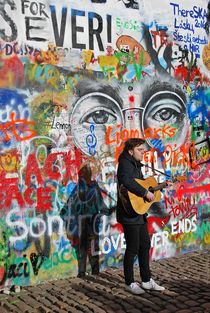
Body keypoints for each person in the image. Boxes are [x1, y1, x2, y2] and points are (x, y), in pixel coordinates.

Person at [117, 138, 166, 295]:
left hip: (139, 212)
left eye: (144, 150)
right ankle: (129, 282)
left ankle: (146, 281)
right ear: (131, 151)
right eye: (140, 150)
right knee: (132, 248)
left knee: (145, 245)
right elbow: (125, 180)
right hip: (129, 214)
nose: (143, 152)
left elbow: (143, 185)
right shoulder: (125, 162)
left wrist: (162, 186)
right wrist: (145, 192)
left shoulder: (136, 164)